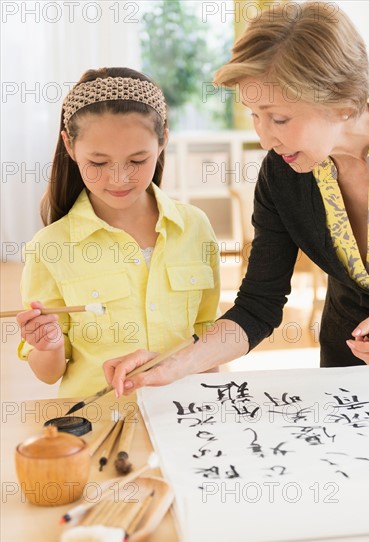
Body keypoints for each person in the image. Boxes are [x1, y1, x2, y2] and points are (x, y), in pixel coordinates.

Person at [104, 2, 369, 398]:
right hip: (353, 374)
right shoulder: (282, 174)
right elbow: (257, 306)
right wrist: (175, 365)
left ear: (340, 102)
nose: (264, 137)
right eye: (254, 115)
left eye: (279, 118)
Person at [16, 67, 220, 397]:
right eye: (98, 163)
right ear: (70, 146)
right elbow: (48, 373)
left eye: (138, 160)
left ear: (163, 140)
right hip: (98, 419)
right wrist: (48, 345)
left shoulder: (195, 227)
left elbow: (207, 335)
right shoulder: (50, 247)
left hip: (182, 414)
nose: (119, 178)